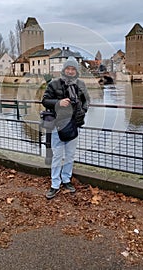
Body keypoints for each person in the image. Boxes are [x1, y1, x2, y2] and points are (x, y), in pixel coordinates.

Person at [42, 56, 90, 199]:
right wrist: (58, 102)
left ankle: (66, 180)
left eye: (73, 69)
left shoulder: (81, 84)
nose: (70, 71)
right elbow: (44, 100)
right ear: (64, 70)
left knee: (69, 155)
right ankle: (55, 184)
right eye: (68, 68)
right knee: (57, 156)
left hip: (74, 125)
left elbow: (86, 100)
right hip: (58, 124)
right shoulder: (54, 83)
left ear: (76, 71)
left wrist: (83, 110)